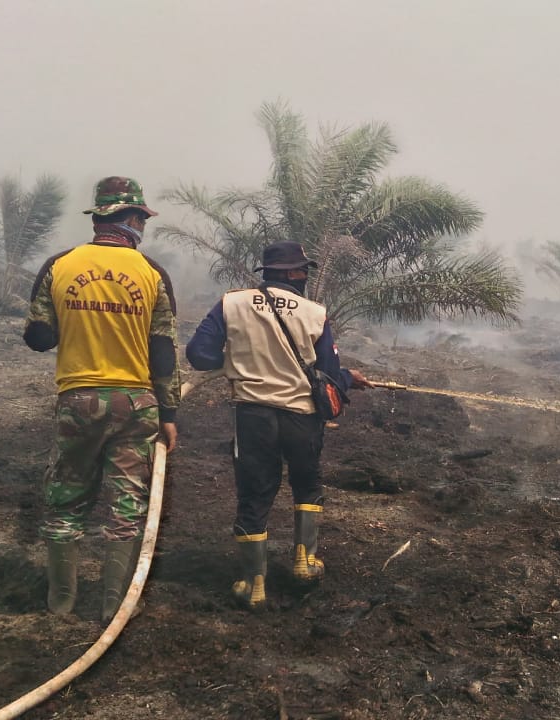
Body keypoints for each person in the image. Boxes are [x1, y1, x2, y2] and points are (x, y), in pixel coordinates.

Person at [23, 176, 181, 621]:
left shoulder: (60, 265)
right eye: (142, 220)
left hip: (78, 400)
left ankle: (61, 604)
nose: (143, 227)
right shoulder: (152, 274)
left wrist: (77, 317)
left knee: (65, 500)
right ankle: (116, 607)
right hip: (135, 404)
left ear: (98, 218)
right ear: (131, 219)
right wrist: (169, 414)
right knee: (127, 505)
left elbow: (38, 338)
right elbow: (164, 352)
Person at [185, 241, 371, 610]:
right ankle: (305, 563)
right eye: (304, 270)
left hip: (253, 415)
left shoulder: (231, 303)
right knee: (306, 482)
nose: (306, 276)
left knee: (255, 493)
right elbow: (330, 375)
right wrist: (350, 378)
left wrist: (240, 357)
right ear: (294, 273)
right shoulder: (315, 313)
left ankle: (253, 584)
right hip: (301, 415)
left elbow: (199, 355)